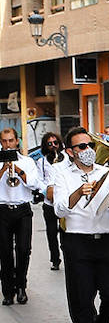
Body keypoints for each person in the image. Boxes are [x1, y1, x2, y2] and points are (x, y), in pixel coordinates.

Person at [52, 127, 109, 323]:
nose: (87, 151)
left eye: (89, 146)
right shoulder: (62, 173)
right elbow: (60, 209)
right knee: (83, 298)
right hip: (77, 241)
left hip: (106, 239)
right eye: (81, 147)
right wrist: (77, 193)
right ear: (70, 151)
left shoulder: (108, 172)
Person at [0, 127, 41, 307]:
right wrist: (3, 169)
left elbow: (34, 184)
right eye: (4, 141)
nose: (8, 144)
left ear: (17, 141)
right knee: (5, 252)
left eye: (11, 141)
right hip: (2, 210)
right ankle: (8, 292)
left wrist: (19, 171)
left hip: (23, 209)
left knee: (24, 250)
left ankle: (21, 286)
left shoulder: (27, 162)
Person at [35, 132, 66, 272]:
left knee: (66, 231)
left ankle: (68, 255)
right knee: (51, 232)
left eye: (55, 143)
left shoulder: (66, 158)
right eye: (49, 144)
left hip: (64, 200)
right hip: (49, 203)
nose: (53, 146)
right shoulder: (41, 162)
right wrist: (46, 191)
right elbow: (39, 180)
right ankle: (55, 259)